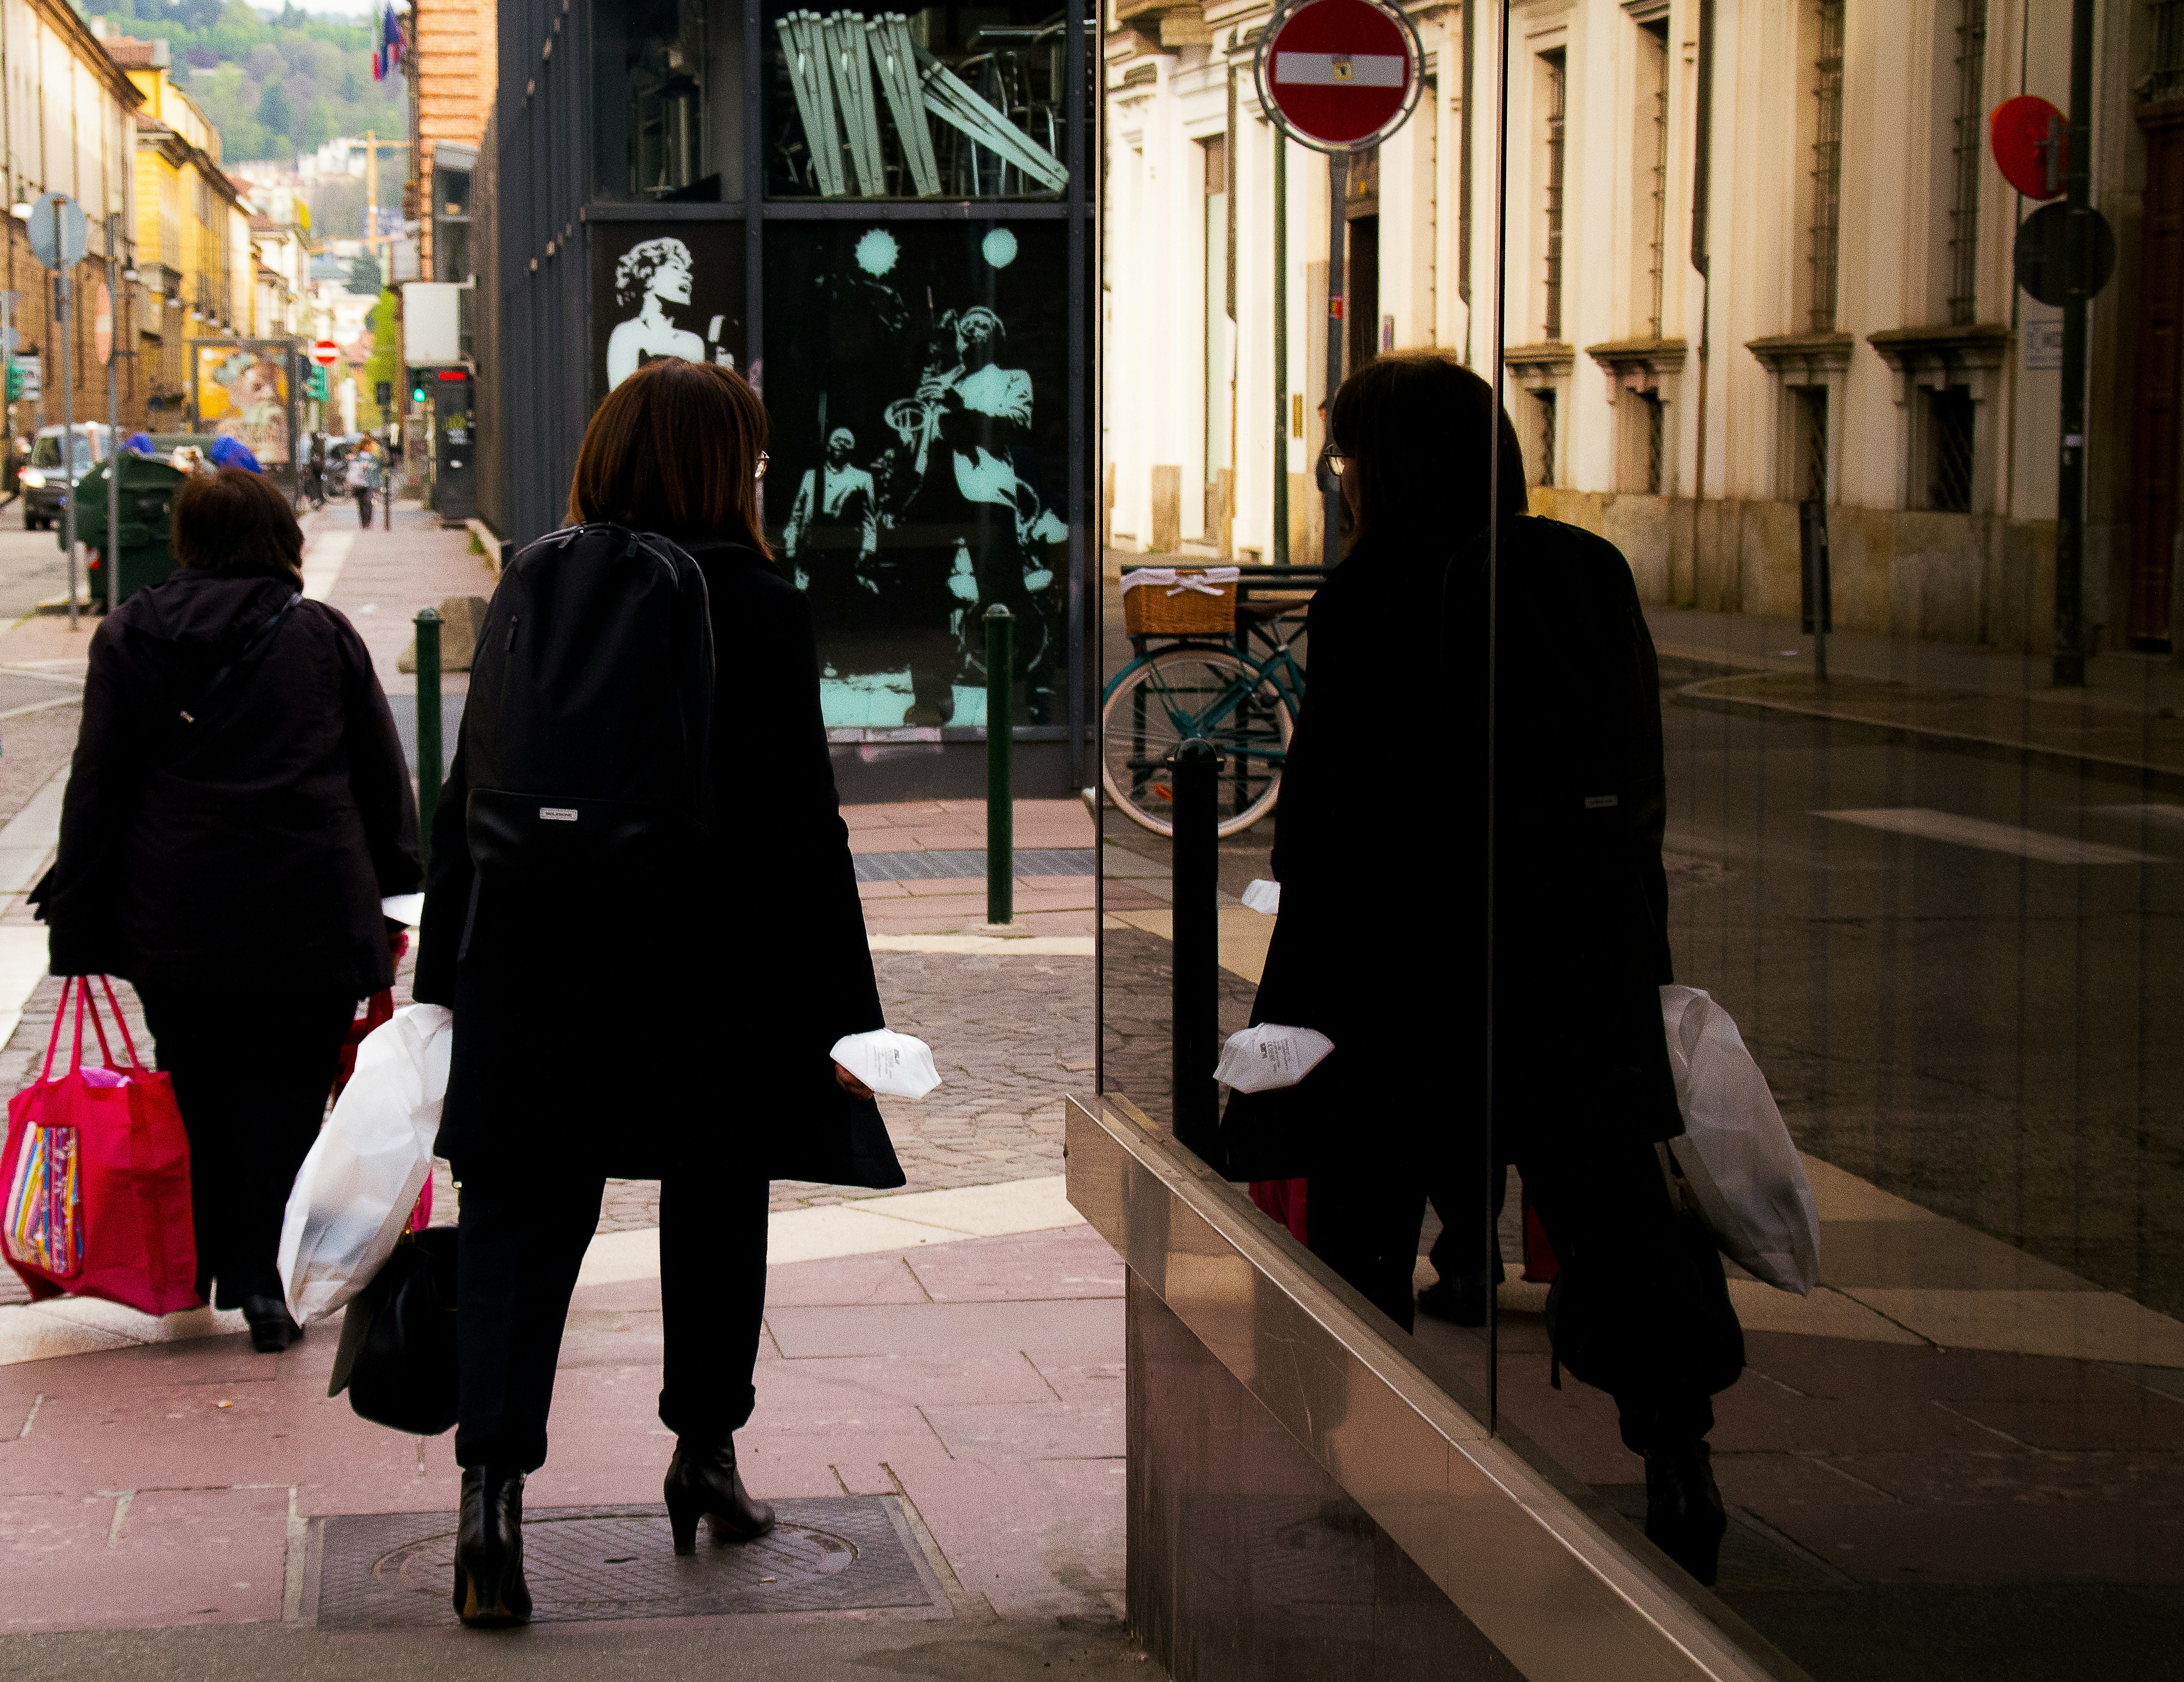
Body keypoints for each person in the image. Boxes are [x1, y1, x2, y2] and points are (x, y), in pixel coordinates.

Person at [1215, 351, 1745, 1586]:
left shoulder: (1369, 595)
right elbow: (1635, 787)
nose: (1341, 478)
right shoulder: (1581, 572)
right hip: (1564, 963)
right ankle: (1678, 1453)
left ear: (1382, 467)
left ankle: (1372, 1468)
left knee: (1365, 1223)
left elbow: (1326, 814)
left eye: (1347, 456)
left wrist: (1302, 977)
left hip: (1399, 972)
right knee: (1612, 1218)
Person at [413, 357, 903, 1628]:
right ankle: (705, 1454)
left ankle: (489, 1504)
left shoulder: (534, 579)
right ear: (724, 467)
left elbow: (467, 798)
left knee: (518, 1219)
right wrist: (849, 1015)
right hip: (706, 966)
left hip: (533, 960)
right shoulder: (758, 603)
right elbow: (802, 827)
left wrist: (438, 985)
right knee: (717, 1199)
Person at [37, 467, 420, 1352]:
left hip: (177, 912)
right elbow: (379, 778)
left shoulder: (129, 634)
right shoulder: (319, 634)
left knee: (198, 1088)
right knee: (289, 1095)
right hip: (309, 906)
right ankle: (268, 1278)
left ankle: (224, 1260)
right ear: (281, 538)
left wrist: (80, 923)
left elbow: (99, 786)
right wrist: (396, 898)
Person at [345, 439, 378, 527]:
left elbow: (376, 468)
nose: (369, 447)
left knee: (368, 501)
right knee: (361, 502)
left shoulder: (372, 457)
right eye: (367, 445)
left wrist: (368, 467)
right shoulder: (357, 457)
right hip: (359, 483)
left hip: (369, 483)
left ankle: (368, 522)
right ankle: (364, 522)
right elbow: (352, 469)